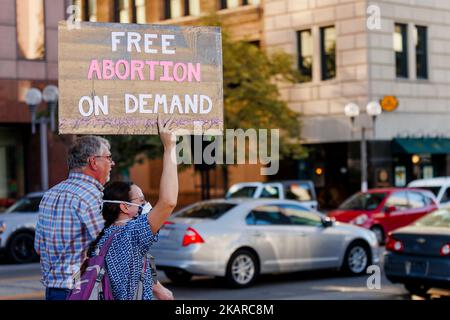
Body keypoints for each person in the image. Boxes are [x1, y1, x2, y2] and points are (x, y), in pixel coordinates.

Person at [86, 117, 178, 300]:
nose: (146, 205)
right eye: (141, 200)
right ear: (124, 207)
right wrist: (170, 148)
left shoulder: (103, 235)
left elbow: (137, 268)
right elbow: (168, 201)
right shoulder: (130, 233)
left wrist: (159, 290)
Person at [34, 135, 114, 300]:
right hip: (83, 289)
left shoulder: (49, 194)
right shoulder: (92, 195)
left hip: (54, 290)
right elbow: (107, 247)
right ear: (93, 162)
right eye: (108, 157)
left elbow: (39, 248)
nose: (112, 163)